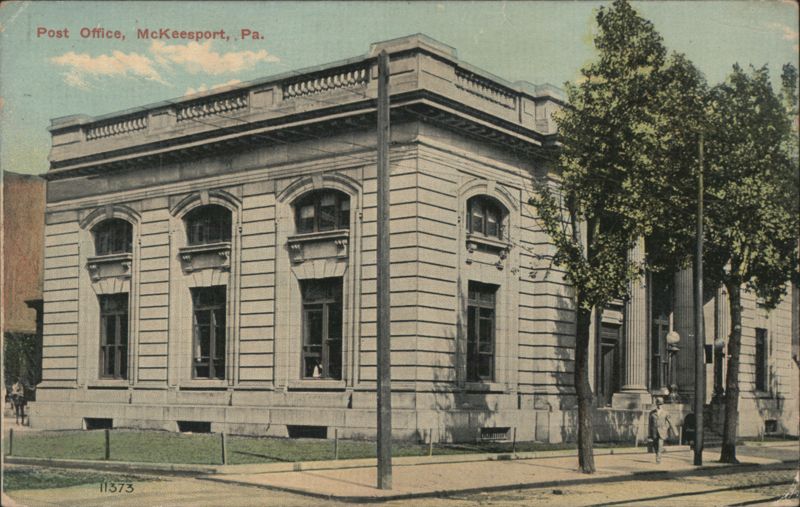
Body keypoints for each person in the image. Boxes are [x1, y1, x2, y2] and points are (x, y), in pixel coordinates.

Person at [649, 397, 675, 463]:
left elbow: (670, 421)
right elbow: (650, 424)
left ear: (662, 404)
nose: (659, 405)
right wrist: (649, 433)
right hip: (654, 431)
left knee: (660, 444)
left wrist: (673, 430)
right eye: (658, 404)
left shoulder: (665, 412)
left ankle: (658, 458)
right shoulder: (652, 413)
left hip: (662, 431)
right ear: (656, 404)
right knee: (655, 445)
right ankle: (657, 453)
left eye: (660, 404)